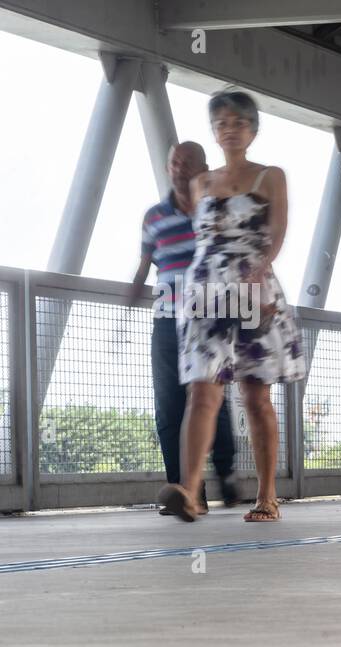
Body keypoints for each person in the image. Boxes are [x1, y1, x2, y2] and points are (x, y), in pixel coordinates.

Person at [158, 90, 306, 523]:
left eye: (238, 122)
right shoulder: (200, 184)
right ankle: (188, 491)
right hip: (205, 291)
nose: (229, 129)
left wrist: (259, 276)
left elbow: (277, 233)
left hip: (253, 286)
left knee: (255, 395)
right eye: (221, 122)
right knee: (202, 390)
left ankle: (267, 496)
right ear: (214, 132)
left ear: (253, 130)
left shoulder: (270, 176)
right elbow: (200, 240)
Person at [128, 142, 238, 515]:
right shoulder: (153, 216)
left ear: (203, 168)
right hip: (166, 321)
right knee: (169, 408)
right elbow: (145, 264)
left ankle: (227, 472)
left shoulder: (215, 212)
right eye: (173, 161)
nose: (179, 167)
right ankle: (186, 492)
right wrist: (131, 295)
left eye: (187, 162)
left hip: (209, 319)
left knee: (211, 401)